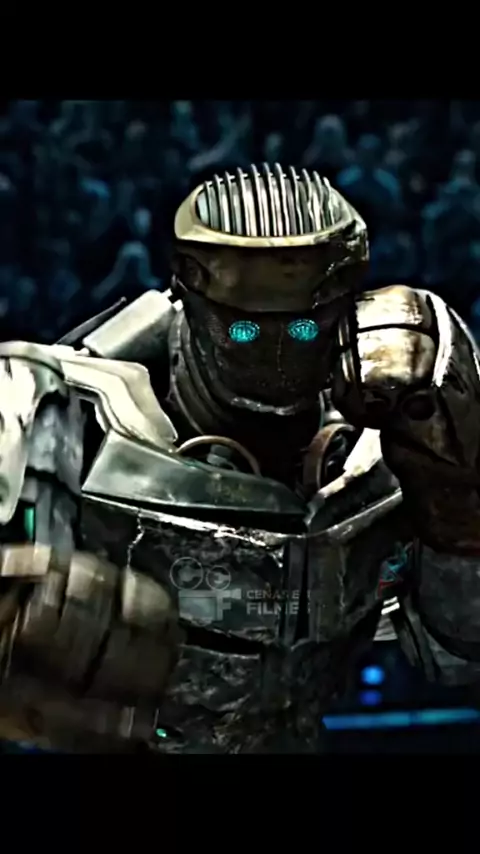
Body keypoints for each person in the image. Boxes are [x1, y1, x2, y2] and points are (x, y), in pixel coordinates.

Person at [1, 164, 480, 754]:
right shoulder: (56, 407)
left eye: (303, 330)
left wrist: (456, 503)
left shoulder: (389, 434)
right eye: (247, 333)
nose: (277, 357)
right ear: (188, 294)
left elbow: (454, 653)